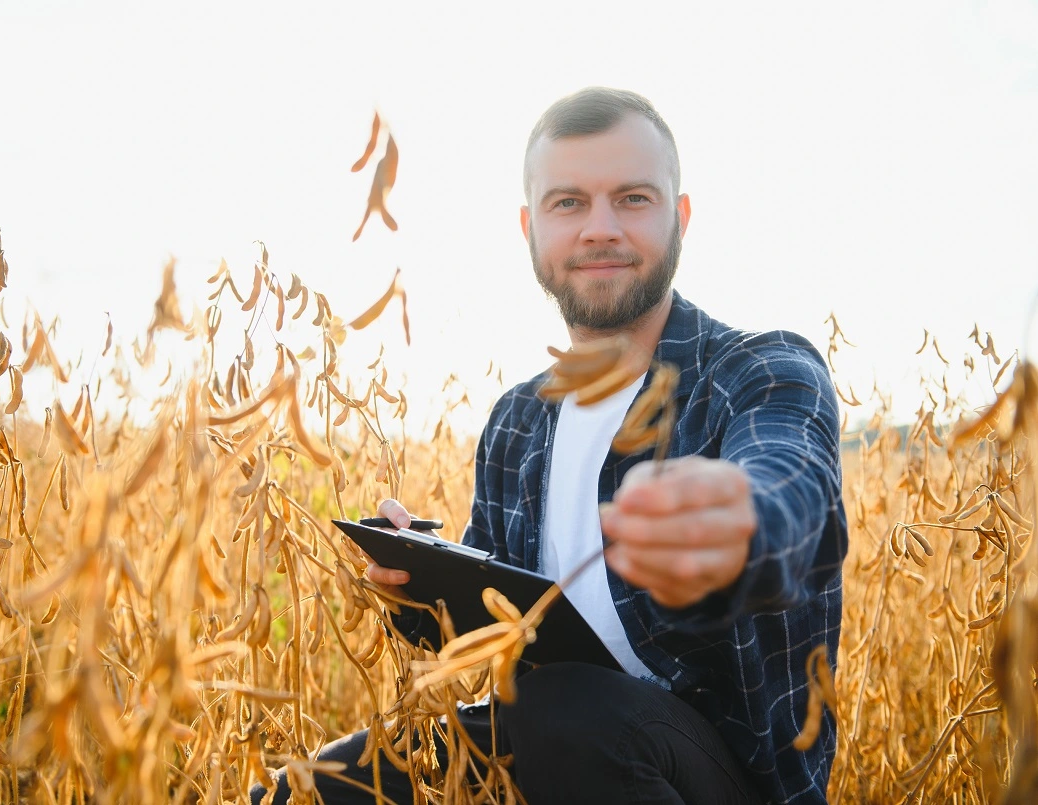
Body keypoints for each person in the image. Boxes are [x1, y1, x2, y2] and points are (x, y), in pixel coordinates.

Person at [253, 87, 846, 805]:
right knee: (308, 790)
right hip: (548, 738)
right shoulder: (517, 420)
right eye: (569, 203)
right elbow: (500, 621)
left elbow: (791, 488)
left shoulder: (760, 370)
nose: (600, 229)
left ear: (679, 219)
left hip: (714, 775)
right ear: (531, 228)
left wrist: (737, 522)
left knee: (568, 713)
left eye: (632, 199)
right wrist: (419, 585)